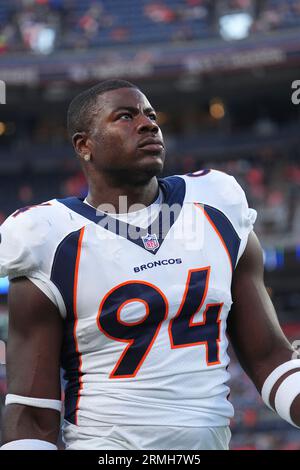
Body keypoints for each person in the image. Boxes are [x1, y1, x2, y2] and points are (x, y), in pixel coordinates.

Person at [0, 79, 299, 451]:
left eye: (151, 115)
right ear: (84, 145)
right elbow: (33, 412)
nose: (148, 124)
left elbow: (270, 357)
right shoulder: (46, 236)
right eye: (125, 116)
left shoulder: (218, 203)